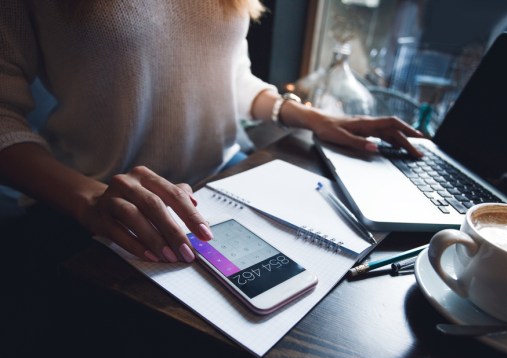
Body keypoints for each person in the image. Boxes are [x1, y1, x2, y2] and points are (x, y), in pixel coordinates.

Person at [0, 0, 423, 266]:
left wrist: (312, 117)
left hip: (220, 188)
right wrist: (90, 197)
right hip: (102, 213)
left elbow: (229, 74)